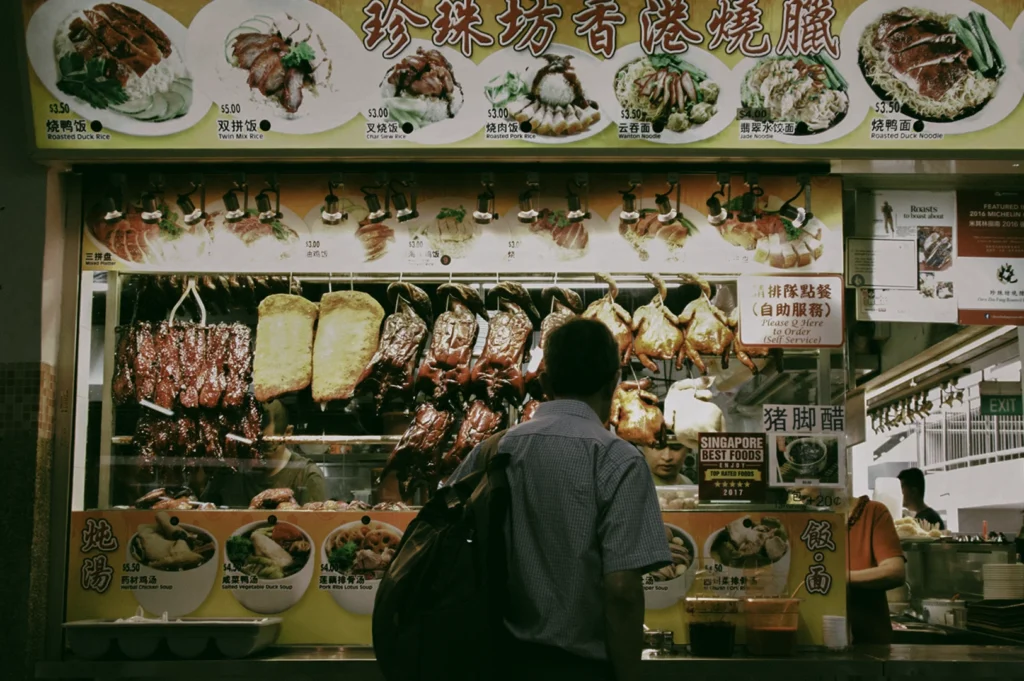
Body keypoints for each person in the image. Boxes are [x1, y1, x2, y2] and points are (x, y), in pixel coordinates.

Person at [447, 319, 670, 681]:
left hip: (494, 661)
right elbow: (623, 590)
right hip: (579, 668)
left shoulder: (493, 450)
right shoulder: (619, 459)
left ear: (546, 383)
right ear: (613, 382)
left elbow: (445, 539)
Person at [202, 399, 326, 507]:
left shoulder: (306, 475)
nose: (255, 453)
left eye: (264, 445)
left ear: (287, 433)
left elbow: (314, 529)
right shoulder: (229, 471)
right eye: (248, 442)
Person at [847, 495, 906, 644]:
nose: (795, 489)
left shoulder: (873, 512)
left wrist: (840, 578)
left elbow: (894, 571)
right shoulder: (803, 517)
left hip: (868, 640)